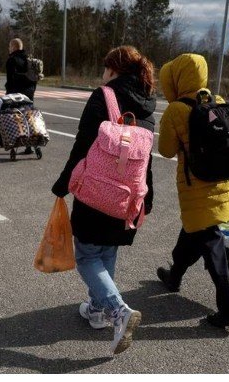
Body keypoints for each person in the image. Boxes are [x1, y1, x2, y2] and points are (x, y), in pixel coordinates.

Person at [51, 46, 156, 355]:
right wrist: (147, 198)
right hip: (128, 196)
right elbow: (147, 159)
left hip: (96, 191)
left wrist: (63, 185)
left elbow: (83, 146)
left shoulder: (104, 96)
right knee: (107, 250)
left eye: (104, 68)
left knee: (85, 256)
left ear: (113, 69)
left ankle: (118, 310)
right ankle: (97, 311)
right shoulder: (149, 103)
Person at [155, 53, 229, 328]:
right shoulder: (217, 102)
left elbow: (166, 151)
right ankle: (174, 276)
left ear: (176, 78)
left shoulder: (176, 110)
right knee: (192, 234)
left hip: (198, 189)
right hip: (227, 185)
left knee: (211, 245)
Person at [0, 38, 37, 153]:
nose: (9, 48)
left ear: (13, 47)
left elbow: (11, 79)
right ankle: (29, 146)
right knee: (28, 117)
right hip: (29, 94)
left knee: (8, 116)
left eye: (9, 46)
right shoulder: (29, 59)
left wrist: (8, 93)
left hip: (15, 94)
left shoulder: (12, 60)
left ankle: (4, 140)